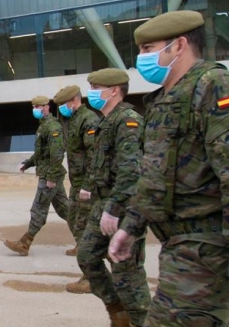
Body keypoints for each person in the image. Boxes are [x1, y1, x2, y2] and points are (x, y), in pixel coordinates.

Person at [108, 10, 229, 326]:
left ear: (180, 45)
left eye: (148, 49)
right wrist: (131, 226)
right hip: (179, 249)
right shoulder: (164, 101)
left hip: (207, 254)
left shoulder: (217, 87)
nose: (141, 58)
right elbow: (154, 177)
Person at [76, 69, 150, 326]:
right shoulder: (104, 122)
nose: (92, 93)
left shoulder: (127, 120)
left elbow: (131, 170)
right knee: (86, 256)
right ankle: (117, 309)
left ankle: (140, 320)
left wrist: (115, 208)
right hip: (102, 204)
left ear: (114, 90)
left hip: (125, 207)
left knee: (127, 272)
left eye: (96, 87)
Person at [4, 95, 71, 256]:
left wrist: (51, 178)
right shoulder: (43, 126)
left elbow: (57, 154)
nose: (35, 110)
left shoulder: (52, 127)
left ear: (46, 107)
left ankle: (25, 243)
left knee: (38, 209)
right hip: (50, 173)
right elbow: (41, 154)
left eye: (38, 107)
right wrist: (27, 163)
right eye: (34, 107)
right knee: (66, 210)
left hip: (50, 175)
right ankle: (86, 242)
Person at [53, 85, 100, 294]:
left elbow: (94, 155)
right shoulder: (73, 120)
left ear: (73, 100)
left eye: (64, 104)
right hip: (77, 184)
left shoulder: (88, 119)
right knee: (74, 221)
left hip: (85, 187)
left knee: (82, 228)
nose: (62, 108)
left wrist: (88, 186)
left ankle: (92, 277)